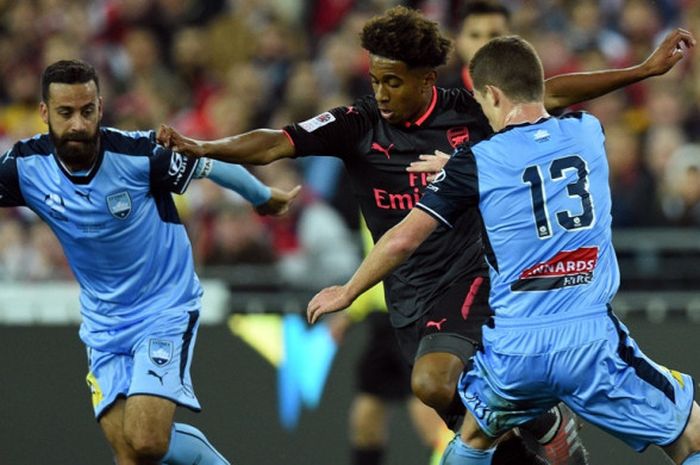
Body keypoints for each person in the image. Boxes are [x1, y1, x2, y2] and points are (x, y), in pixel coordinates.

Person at [157, 6, 695, 464]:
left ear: (426, 78)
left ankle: (541, 427)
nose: (382, 92)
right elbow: (275, 143)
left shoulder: (469, 114)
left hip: (470, 274)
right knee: (459, 412)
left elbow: (544, 94)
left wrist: (643, 71)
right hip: (406, 290)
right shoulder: (358, 124)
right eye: (375, 80)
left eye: (393, 81)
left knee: (434, 385)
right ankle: (543, 430)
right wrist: (207, 148)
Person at [306, 34, 700, 465]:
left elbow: (402, 238)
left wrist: (348, 291)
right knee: (690, 436)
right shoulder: (588, 132)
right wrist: (643, 69)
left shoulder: (475, 163)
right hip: (588, 341)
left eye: (481, 101)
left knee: (473, 438)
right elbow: (547, 132)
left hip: (515, 350)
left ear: (492, 95)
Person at [0, 59, 300, 465]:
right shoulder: (25, 167)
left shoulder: (139, 154)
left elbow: (208, 164)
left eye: (87, 111)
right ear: (44, 113)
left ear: (100, 109)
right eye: (65, 113)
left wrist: (261, 197)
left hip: (163, 308)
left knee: (147, 441)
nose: (77, 124)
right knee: (129, 453)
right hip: (104, 323)